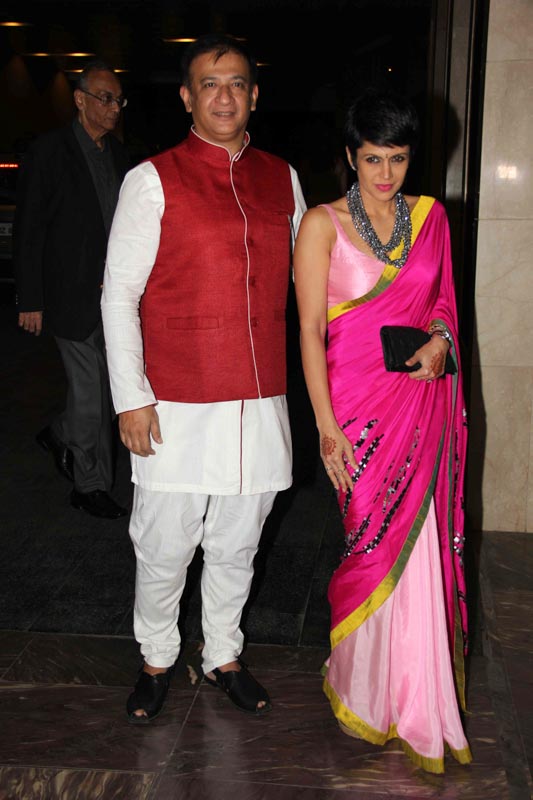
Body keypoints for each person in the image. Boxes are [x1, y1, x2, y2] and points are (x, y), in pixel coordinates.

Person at [101, 34, 306, 723]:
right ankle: (158, 657)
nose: (225, 96)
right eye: (210, 84)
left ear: (254, 95)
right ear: (187, 98)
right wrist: (131, 398)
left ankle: (223, 654)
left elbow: (313, 285)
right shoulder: (151, 179)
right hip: (175, 401)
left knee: (238, 544)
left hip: (261, 401)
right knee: (164, 544)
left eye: (237, 83)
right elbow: (118, 296)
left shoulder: (282, 177)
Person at [293, 88, 472, 773]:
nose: (385, 173)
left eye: (397, 158)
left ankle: (418, 695)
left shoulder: (430, 219)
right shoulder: (321, 224)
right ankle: (366, 690)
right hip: (355, 413)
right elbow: (310, 329)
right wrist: (324, 426)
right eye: (372, 158)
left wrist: (440, 341)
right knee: (369, 543)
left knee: (420, 546)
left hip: (420, 404)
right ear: (350, 155)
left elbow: (445, 304)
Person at [13, 60, 130, 519]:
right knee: (91, 391)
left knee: (106, 389)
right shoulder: (50, 152)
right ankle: (89, 485)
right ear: (80, 100)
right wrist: (31, 299)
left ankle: (61, 432)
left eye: (119, 99)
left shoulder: (120, 155)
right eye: (105, 98)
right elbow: (30, 228)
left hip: (114, 296)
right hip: (68, 294)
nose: (114, 107)